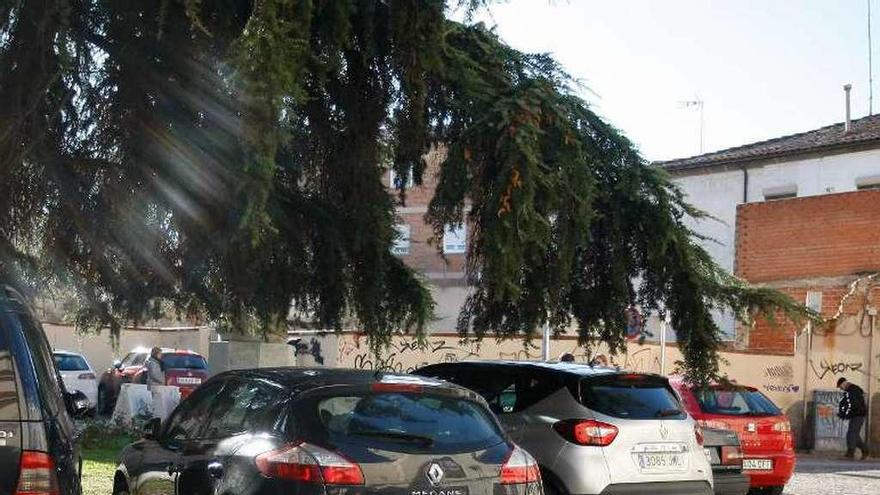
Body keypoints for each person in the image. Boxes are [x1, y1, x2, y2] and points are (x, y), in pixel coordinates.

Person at [837, 377, 870, 460]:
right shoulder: (852, 390)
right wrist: (843, 414)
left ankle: (850, 453)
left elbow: (851, 405)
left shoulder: (851, 391)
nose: (841, 389)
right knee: (855, 435)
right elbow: (847, 403)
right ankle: (865, 450)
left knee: (851, 434)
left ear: (844, 384)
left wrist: (845, 414)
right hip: (858, 414)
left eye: (841, 387)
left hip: (858, 414)